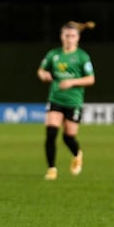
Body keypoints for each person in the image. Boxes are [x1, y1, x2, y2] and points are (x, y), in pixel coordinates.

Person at [37, 20, 95, 180]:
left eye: (73, 36)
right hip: (55, 98)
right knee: (51, 132)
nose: (69, 38)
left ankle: (77, 154)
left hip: (74, 101)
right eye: (67, 35)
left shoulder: (82, 56)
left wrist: (72, 82)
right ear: (62, 36)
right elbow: (41, 70)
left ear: (77, 38)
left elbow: (91, 79)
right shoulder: (54, 54)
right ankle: (51, 169)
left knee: (68, 137)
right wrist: (44, 75)